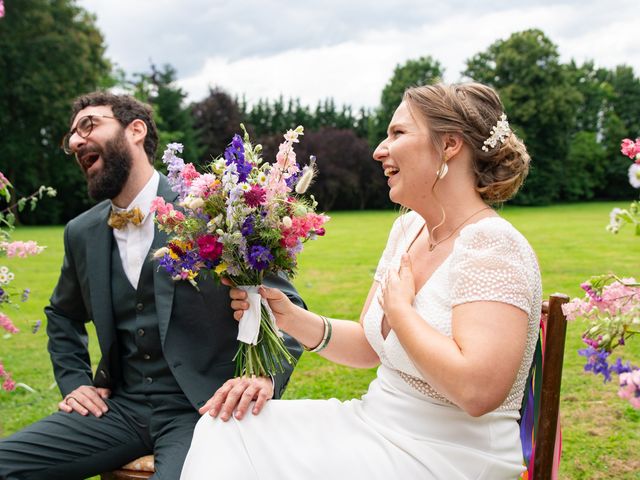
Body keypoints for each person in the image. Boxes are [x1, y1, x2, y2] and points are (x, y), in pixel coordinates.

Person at [180, 82, 542, 480]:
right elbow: (370, 347)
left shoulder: (493, 244)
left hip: (449, 454)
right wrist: (287, 318)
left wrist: (401, 312)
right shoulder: (408, 230)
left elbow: (478, 392)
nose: (379, 150)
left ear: (450, 144)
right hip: (375, 421)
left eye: (398, 133)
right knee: (224, 428)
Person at [0, 92, 304, 480]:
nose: (76, 142)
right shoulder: (81, 232)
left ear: (136, 130)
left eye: (89, 125)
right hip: (118, 411)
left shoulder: (213, 210)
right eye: (71, 136)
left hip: (203, 410)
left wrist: (264, 376)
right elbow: (61, 314)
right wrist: (75, 382)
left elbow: (287, 306)